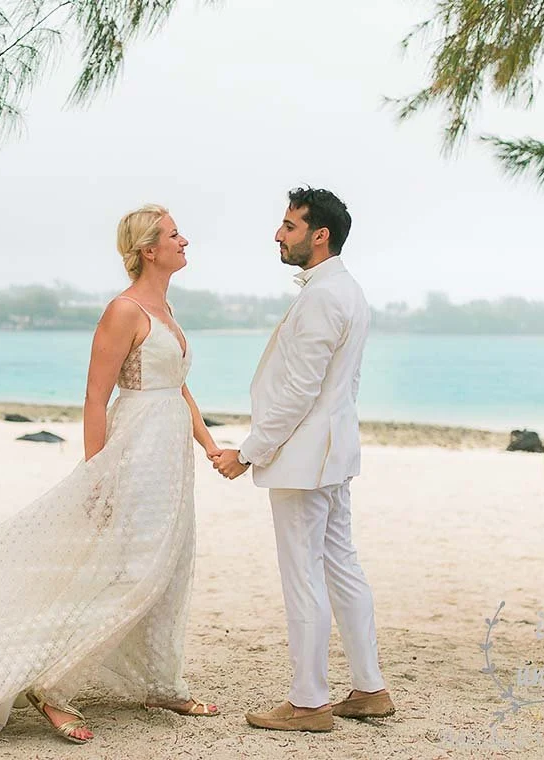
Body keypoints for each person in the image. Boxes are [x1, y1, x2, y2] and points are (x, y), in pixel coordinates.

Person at [0, 204, 220, 745]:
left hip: (170, 460)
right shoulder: (123, 310)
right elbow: (94, 395)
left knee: (169, 567)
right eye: (175, 235)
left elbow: (177, 386)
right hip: (135, 453)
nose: (186, 241)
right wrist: (97, 472)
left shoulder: (166, 307)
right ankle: (51, 684)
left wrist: (210, 445)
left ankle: (160, 680)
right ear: (149, 250)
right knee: (126, 571)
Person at [214, 187, 395, 732]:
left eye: (289, 226)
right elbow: (343, 385)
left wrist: (247, 453)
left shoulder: (322, 297)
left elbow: (297, 392)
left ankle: (309, 702)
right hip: (334, 453)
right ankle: (369, 688)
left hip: (304, 459)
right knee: (341, 565)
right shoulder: (349, 290)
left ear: (321, 235)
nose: (277, 234)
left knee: (304, 576)